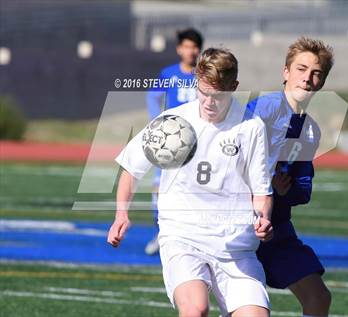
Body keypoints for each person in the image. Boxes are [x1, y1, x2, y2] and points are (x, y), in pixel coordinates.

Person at [108, 48, 273, 317]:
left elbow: (261, 191)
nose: (208, 102)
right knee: (195, 309)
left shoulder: (251, 126)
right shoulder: (174, 122)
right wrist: (121, 213)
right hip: (183, 236)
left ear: (234, 87)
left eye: (217, 95)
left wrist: (263, 218)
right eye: (203, 91)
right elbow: (131, 167)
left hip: (236, 246)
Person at [247, 37, 334, 317]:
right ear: (285, 72)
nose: (307, 78)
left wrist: (287, 189)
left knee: (319, 298)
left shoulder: (311, 130)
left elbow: (303, 190)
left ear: (322, 82)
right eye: (301, 69)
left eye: (316, 73)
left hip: (278, 231)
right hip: (240, 227)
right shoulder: (263, 109)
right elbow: (232, 158)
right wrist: (262, 181)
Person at [145, 28, 203, 255]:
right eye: (187, 46)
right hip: (171, 140)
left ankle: (193, 236)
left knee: (196, 185)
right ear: (179, 49)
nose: (191, 51)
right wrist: (156, 122)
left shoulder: (204, 74)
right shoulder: (169, 73)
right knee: (159, 187)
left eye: (195, 46)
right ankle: (160, 233)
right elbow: (153, 96)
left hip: (198, 140)